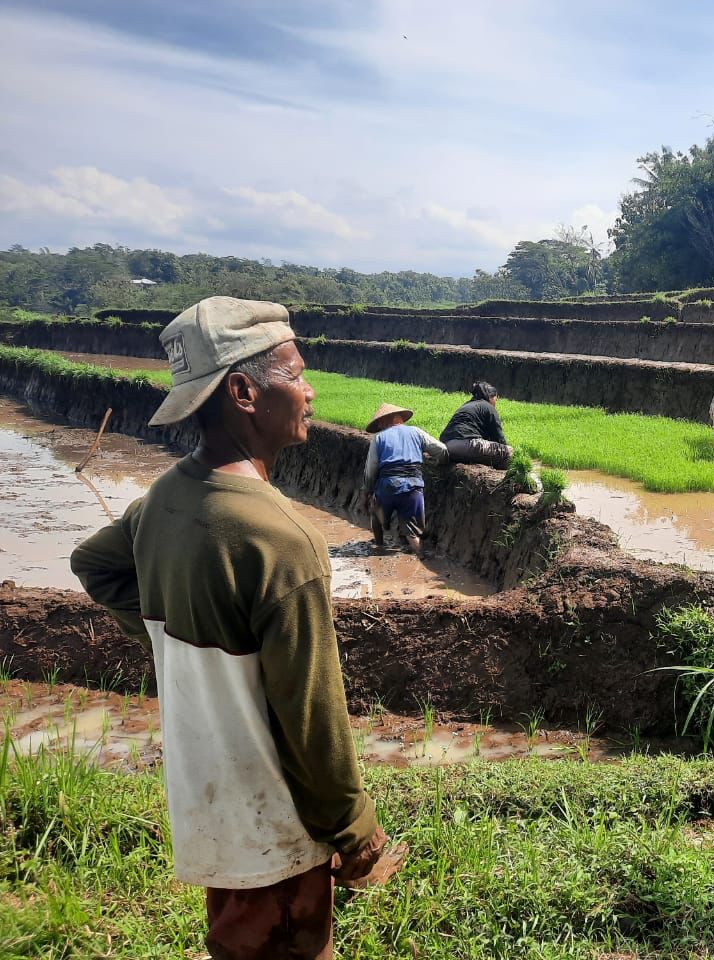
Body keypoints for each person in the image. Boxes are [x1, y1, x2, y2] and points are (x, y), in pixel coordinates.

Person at [69, 297, 404, 958]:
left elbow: (95, 565)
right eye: (297, 376)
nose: (310, 392)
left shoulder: (164, 498)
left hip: (210, 803)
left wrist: (175, 645)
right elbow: (311, 717)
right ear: (246, 392)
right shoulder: (282, 538)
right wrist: (356, 833)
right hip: (275, 824)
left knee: (235, 936)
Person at [363, 402, 447, 554]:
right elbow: (442, 450)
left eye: (380, 423)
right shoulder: (416, 432)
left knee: (375, 514)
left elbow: (370, 470)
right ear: (399, 419)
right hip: (413, 487)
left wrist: (367, 492)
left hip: (387, 487)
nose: (380, 426)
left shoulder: (379, 438)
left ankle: (380, 546)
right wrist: (437, 462)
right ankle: (421, 556)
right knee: (412, 533)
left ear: (384, 421)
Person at [440, 380, 513, 468]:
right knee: (509, 452)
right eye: (496, 399)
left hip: (446, 447)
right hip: (468, 445)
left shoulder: (466, 405)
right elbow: (499, 438)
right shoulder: (488, 406)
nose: (495, 403)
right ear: (491, 397)